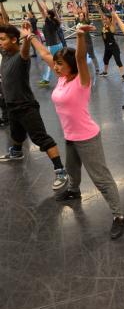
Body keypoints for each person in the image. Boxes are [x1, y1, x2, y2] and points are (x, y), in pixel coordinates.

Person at [21, 22, 124, 239]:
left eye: (60, 64)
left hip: (87, 137)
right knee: (72, 170)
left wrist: (79, 36)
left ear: (70, 65)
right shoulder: (61, 77)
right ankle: (74, 191)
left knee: (101, 179)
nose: (56, 67)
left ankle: (119, 216)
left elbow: (79, 58)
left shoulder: (82, 80)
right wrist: (30, 36)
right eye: (56, 64)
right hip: (70, 135)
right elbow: (42, 52)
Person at [0, 24, 68, 190]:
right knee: (16, 133)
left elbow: (24, 51)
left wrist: (28, 38)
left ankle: (60, 170)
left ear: (14, 40)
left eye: (2, 39)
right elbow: (5, 24)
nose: (0, 42)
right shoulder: (5, 54)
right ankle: (16, 152)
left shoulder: (21, 57)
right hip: (12, 105)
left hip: (26, 106)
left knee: (40, 138)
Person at [33, 0, 63, 87]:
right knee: (57, 62)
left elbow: (42, 10)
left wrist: (37, 0)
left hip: (52, 46)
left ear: (49, 16)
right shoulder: (55, 21)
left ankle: (56, 79)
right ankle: (49, 79)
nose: (44, 14)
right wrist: (44, 1)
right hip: (58, 45)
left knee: (51, 63)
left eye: (46, 14)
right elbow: (46, 10)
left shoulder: (49, 21)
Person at [94, 3, 124, 81]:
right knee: (105, 59)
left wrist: (113, 13)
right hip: (107, 47)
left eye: (106, 19)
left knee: (118, 61)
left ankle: (123, 76)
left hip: (113, 47)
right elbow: (102, 16)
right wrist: (98, 9)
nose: (104, 20)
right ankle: (105, 72)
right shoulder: (104, 25)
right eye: (104, 19)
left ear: (110, 19)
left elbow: (114, 19)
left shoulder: (112, 26)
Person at [75, 0, 99, 73]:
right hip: (81, 42)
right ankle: (84, 68)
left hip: (88, 42)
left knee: (92, 55)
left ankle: (97, 68)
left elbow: (87, 13)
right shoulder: (77, 21)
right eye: (80, 15)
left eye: (82, 15)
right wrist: (73, 0)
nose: (81, 16)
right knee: (83, 56)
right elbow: (75, 10)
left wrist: (85, 5)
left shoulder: (86, 20)